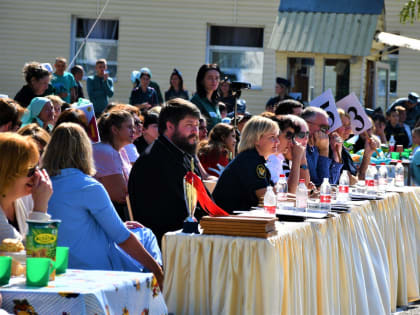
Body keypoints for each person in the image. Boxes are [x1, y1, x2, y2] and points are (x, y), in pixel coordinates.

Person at [43, 123, 163, 288]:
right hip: (93, 270)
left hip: (53, 266)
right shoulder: (87, 186)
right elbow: (121, 237)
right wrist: (157, 270)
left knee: (136, 232)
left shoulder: (41, 184)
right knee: (145, 234)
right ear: (85, 151)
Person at [128, 98, 204, 245]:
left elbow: (201, 200)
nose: (195, 131)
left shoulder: (182, 155)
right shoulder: (153, 160)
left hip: (187, 236)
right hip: (168, 243)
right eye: (189, 125)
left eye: (196, 125)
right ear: (170, 126)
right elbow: (175, 210)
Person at [212, 116, 279, 213]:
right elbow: (265, 196)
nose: (278, 142)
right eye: (272, 137)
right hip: (227, 222)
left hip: (236, 219)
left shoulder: (253, 158)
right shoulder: (250, 160)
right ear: (256, 139)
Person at [0, 132, 52, 242]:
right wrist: (40, 209)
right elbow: (28, 252)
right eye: (31, 170)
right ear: (7, 172)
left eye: (37, 168)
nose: (37, 175)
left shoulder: (23, 199)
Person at [93, 110, 134, 221]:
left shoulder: (121, 151)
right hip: (107, 214)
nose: (133, 130)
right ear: (115, 130)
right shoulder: (106, 152)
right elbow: (120, 195)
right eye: (129, 127)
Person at [301, 107, 343, 186]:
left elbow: (331, 183)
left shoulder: (315, 146)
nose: (327, 132)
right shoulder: (300, 148)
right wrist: (324, 150)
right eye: (323, 127)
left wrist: (336, 153)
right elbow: (321, 185)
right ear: (306, 124)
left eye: (328, 128)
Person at [334, 109, 378, 184]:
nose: (348, 129)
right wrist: (357, 181)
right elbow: (349, 179)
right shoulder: (331, 148)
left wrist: (367, 154)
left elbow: (360, 176)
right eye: (343, 125)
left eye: (349, 125)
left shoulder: (344, 149)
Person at [266, 115, 306, 193]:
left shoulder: (279, 157)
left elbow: (304, 185)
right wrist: (297, 159)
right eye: (289, 136)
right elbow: (289, 191)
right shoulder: (269, 158)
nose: (291, 142)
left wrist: (302, 158)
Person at [191, 64, 222, 131]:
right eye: (210, 78)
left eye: (217, 78)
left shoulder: (215, 102)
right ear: (201, 80)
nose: (214, 81)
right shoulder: (196, 101)